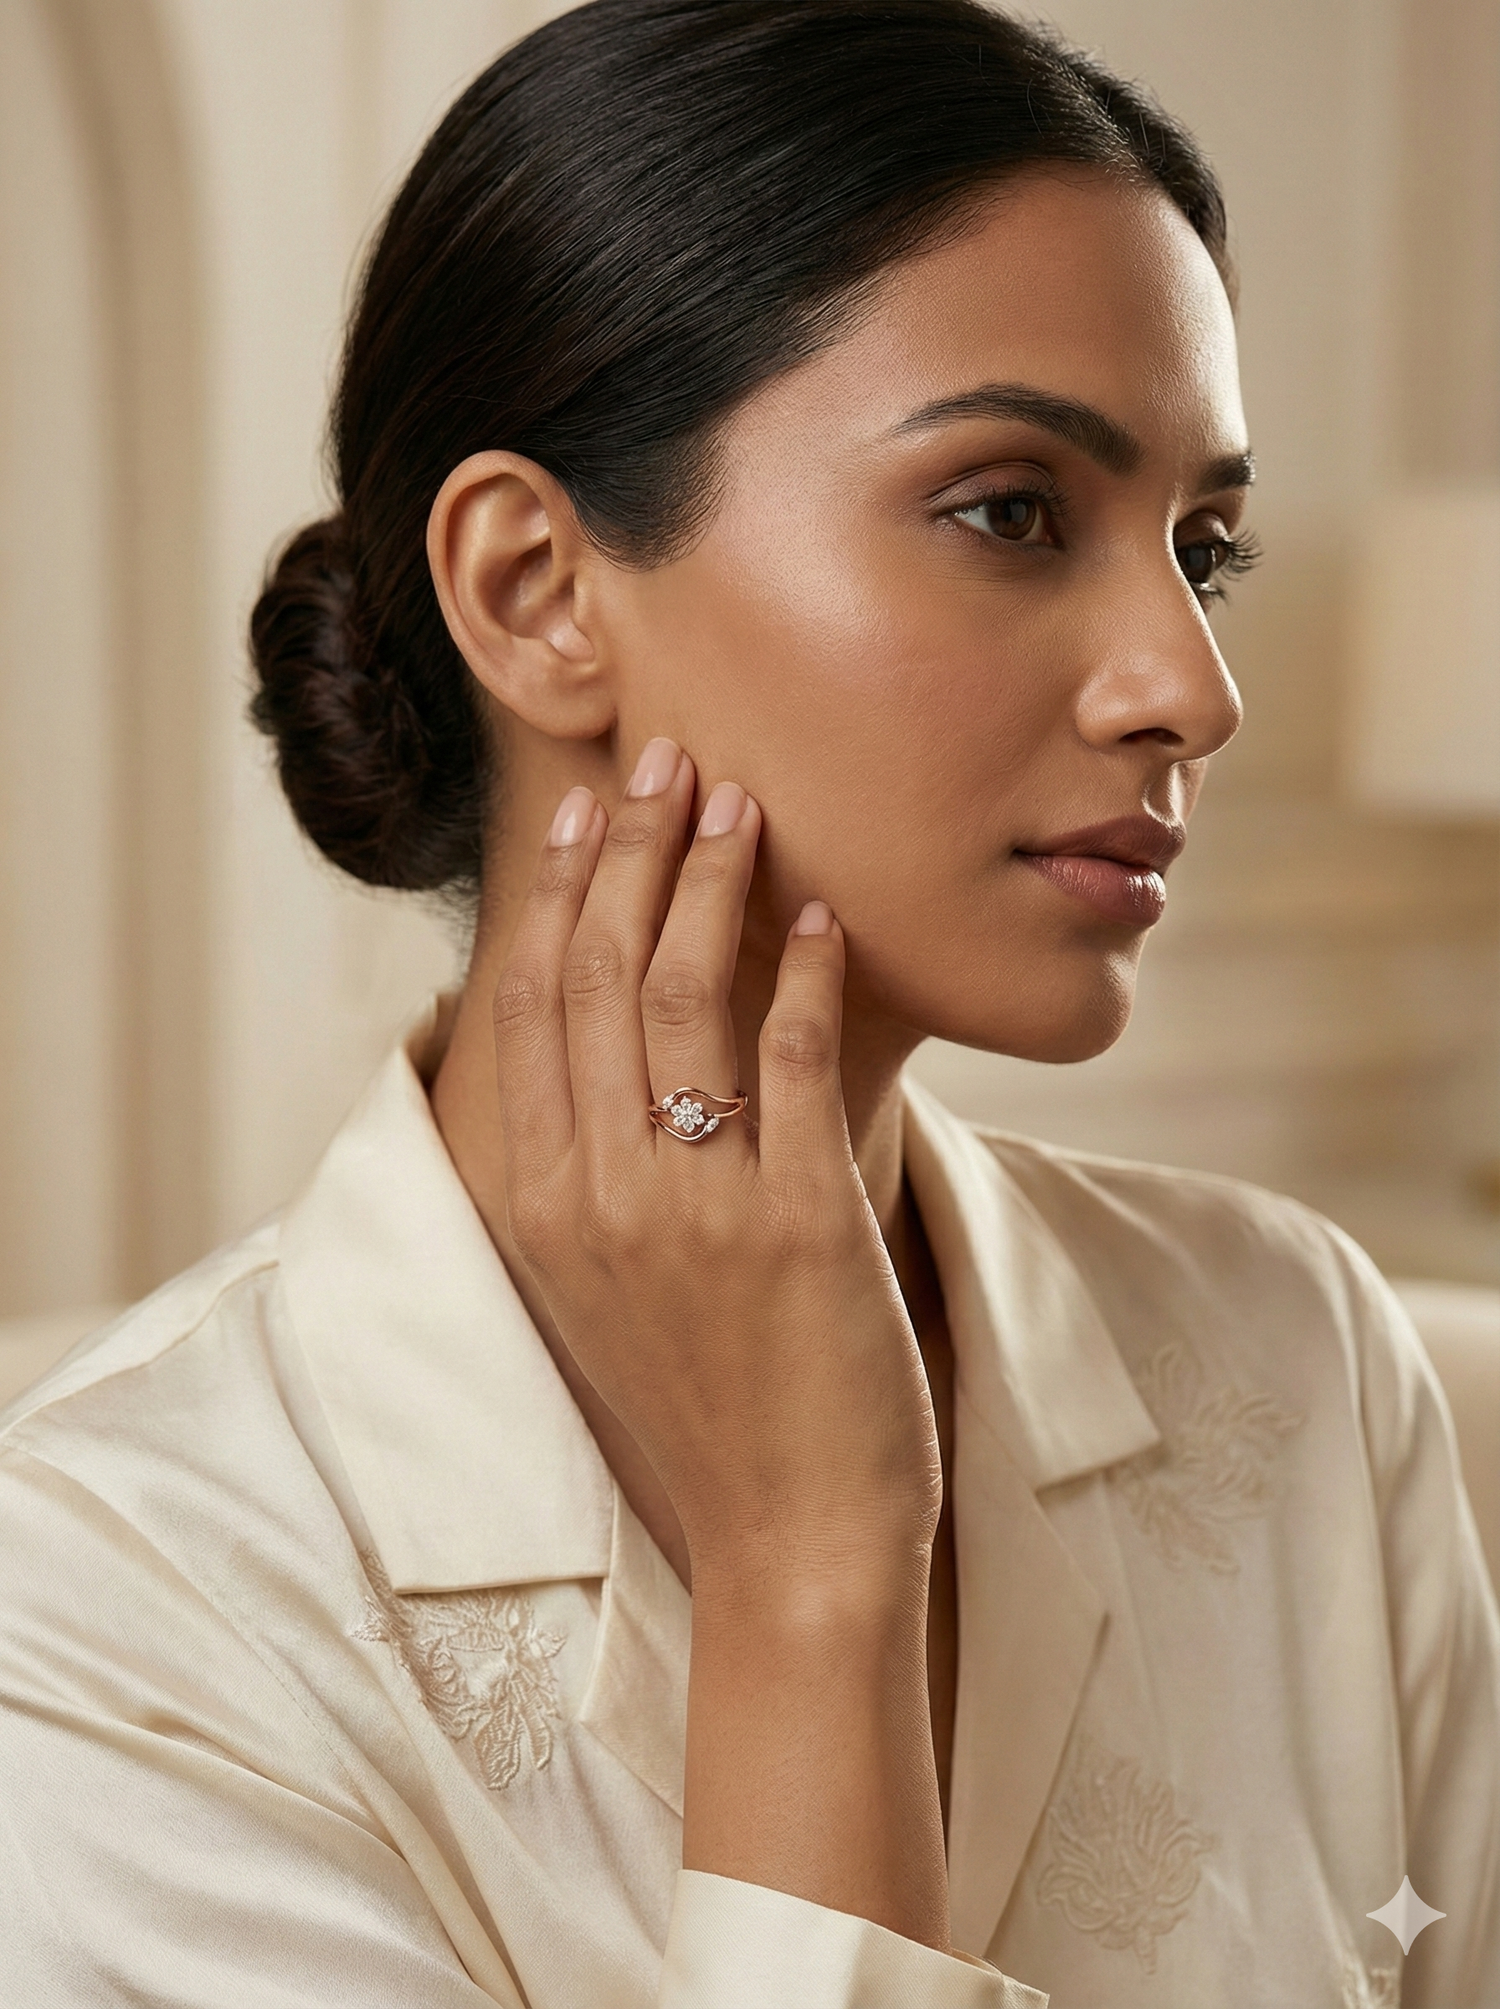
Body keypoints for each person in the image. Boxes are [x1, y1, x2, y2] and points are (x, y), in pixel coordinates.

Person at [1, 2, 1496, 2003]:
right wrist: (814, 1574)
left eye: (1201, 550)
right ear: (536, 585)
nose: (1192, 686)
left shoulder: (1294, 1350)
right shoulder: (108, 1600)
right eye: (1012, 508)